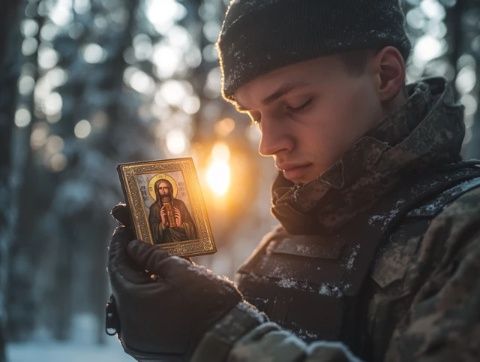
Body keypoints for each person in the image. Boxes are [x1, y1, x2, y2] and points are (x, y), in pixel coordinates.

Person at [106, 0, 480, 361]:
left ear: (386, 75)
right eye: (255, 116)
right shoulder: (288, 237)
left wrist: (214, 336)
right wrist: (174, 326)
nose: (268, 145)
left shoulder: (465, 234)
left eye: (297, 104)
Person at [148, 179, 197, 244]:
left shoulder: (180, 204)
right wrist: (163, 225)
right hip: (166, 241)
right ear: (157, 191)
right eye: (160, 188)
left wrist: (181, 225)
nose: (163, 190)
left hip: (181, 239)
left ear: (170, 189)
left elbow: (191, 225)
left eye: (165, 188)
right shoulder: (154, 208)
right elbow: (152, 230)